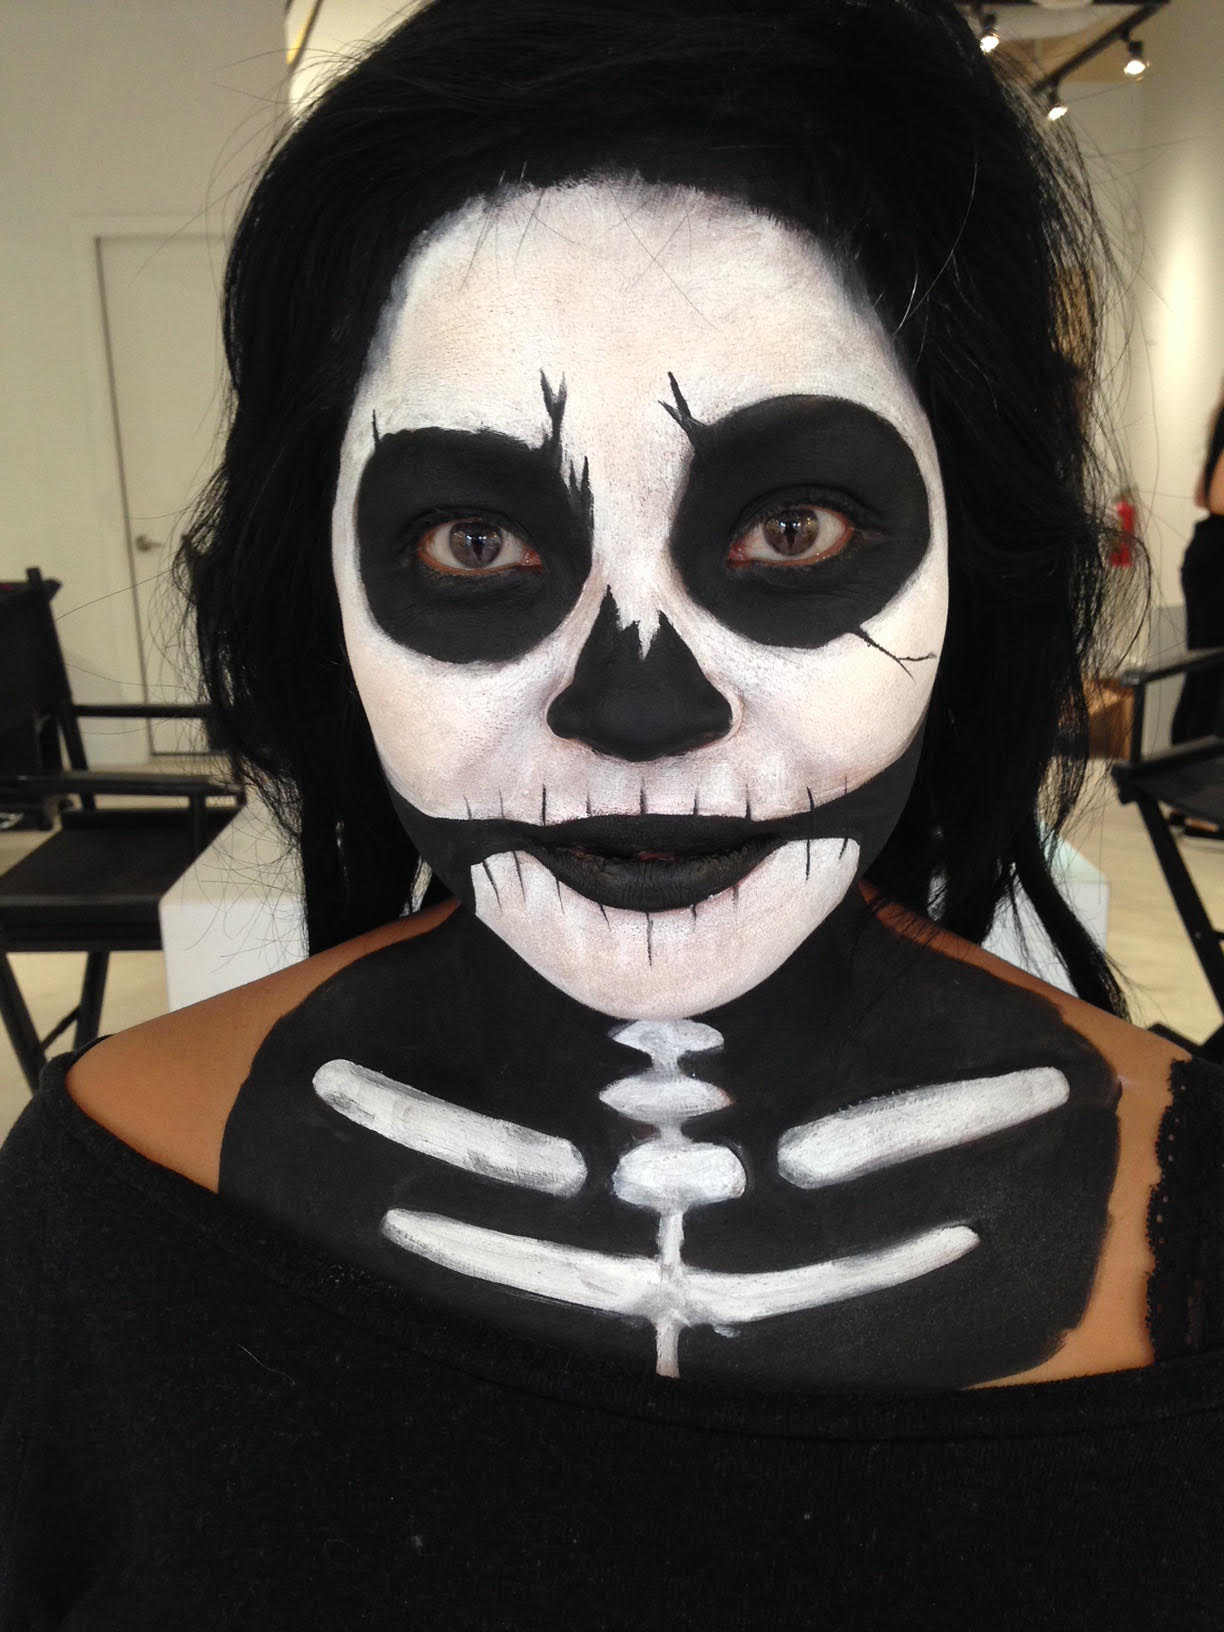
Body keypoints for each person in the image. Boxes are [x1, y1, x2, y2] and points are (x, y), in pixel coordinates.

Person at [3, 0, 1222, 1624]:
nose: (639, 709)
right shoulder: (102, 1227)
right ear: (325, 595)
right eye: (476, 545)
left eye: (791, 529)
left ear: (970, 563)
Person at [1171, 394, 1224, 762]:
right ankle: (1190, 774)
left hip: (1207, 556)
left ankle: (1183, 767)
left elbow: (1201, 494)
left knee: (1203, 668)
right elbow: (1217, 498)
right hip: (1216, 563)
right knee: (1209, 669)